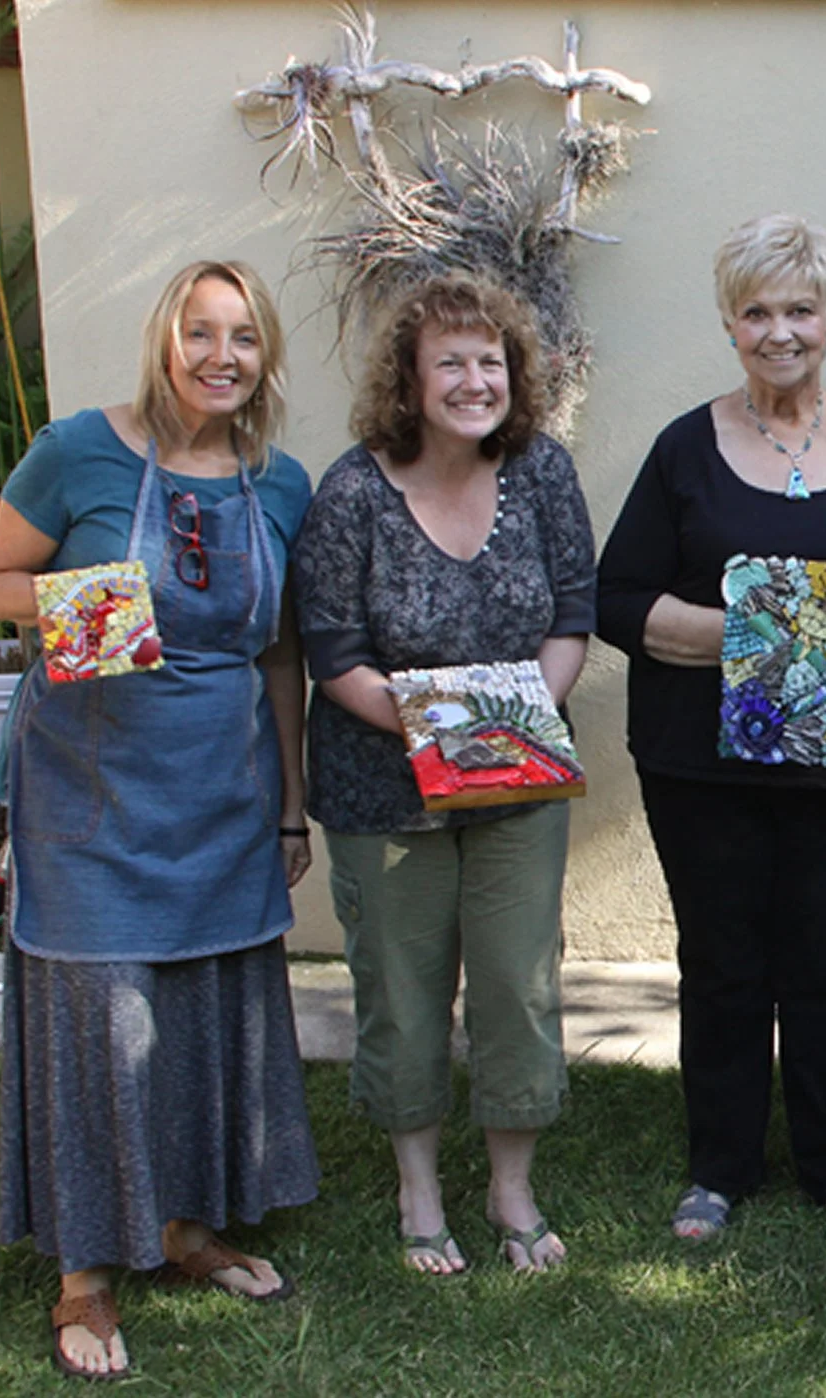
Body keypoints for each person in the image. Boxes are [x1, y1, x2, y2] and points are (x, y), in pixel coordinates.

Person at [0, 261, 318, 1381]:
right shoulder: (79, 450)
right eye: (200, 333)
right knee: (99, 1015)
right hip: (90, 786)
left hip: (220, 785)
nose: (223, 357)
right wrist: (89, 599)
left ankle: (179, 1226)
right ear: (163, 342)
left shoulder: (280, 484)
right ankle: (84, 1272)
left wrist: (288, 801)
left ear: (264, 357)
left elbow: (278, 652)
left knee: (200, 1006)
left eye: (245, 338)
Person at [599, 213, 826, 1242]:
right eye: (757, 312)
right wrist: (749, 634)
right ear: (729, 322)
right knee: (721, 960)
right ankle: (720, 1165)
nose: (779, 331)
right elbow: (617, 599)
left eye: (799, 308)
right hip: (696, 759)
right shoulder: (684, 449)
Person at [290, 273, 594, 1276]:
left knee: (518, 982)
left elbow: (571, 613)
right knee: (402, 990)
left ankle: (512, 1184)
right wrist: (439, 740)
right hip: (386, 791)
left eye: (490, 360)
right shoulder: (350, 494)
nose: (475, 380)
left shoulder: (541, 472)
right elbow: (332, 652)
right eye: (450, 362)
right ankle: (418, 1186)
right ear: (409, 383)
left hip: (516, 780)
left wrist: (518, 722)